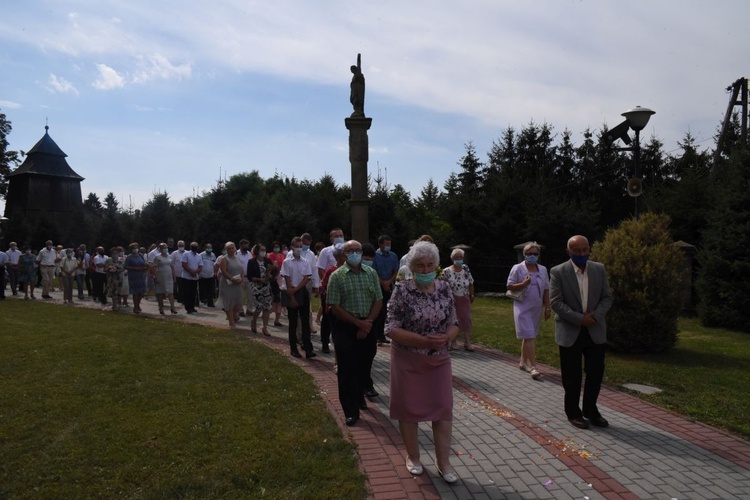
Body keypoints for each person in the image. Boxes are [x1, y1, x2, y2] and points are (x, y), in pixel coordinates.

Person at [385, 241, 460, 484]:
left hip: (439, 360)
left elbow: (454, 323)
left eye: (430, 265)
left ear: (436, 266)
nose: (425, 270)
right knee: (409, 410)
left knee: (443, 409)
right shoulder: (401, 290)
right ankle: (413, 457)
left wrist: (447, 337)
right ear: (411, 266)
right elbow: (391, 328)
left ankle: (443, 462)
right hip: (408, 360)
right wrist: (423, 341)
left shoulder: (445, 289)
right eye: (420, 265)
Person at [550, 235, 613, 430]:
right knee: (572, 375)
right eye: (577, 251)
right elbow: (556, 302)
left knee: (595, 373)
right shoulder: (559, 272)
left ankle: (591, 410)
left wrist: (595, 317)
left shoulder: (598, 269)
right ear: (569, 252)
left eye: (585, 250)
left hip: (595, 329)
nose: (582, 254)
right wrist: (580, 319)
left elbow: (607, 297)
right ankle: (573, 412)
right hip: (570, 331)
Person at [326, 240, 383, 427]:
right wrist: (357, 323)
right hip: (346, 326)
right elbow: (334, 305)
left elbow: (378, 300)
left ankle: (359, 396)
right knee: (347, 369)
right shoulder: (337, 276)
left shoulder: (371, 273)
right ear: (344, 254)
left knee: (364, 365)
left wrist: (367, 324)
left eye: (357, 250)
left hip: (368, 324)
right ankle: (350, 410)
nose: (355, 253)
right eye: (350, 251)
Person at [507, 243, 550, 377]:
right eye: (529, 253)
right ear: (525, 254)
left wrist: (547, 307)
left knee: (529, 336)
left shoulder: (543, 269)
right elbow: (509, 285)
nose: (532, 256)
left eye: (535, 254)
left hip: (536, 307)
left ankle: (522, 362)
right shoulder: (518, 268)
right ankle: (533, 366)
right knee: (529, 335)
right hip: (522, 306)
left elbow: (546, 289)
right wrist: (523, 284)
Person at [281, 236, 316, 359]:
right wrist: (292, 295)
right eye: (297, 247)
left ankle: (308, 348)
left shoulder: (305, 262)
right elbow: (287, 278)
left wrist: (297, 289)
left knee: (305, 322)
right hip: (291, 292)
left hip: (301, 291)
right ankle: (293, 348)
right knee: (293, 322)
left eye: (301, 247)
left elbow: (306, 278)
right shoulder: (287, 262)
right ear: (292, 247)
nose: (299, 249)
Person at [441, 248, 476, 351]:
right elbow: (442, 286)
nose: (459, 259)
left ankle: (467, 342)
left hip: (464, 296)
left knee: (466, 318)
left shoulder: (465, 268)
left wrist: (472, 294)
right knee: (453, 319)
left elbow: (471, 282)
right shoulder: (446, 271)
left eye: (460, 257)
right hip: (452, 298)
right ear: (452, 259)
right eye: (456, 257)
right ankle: (453, 341)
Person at [372, 235, 399, 345]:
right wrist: (382, 282)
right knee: (378, 310)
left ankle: (382, 334)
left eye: (389, 244)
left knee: (386, 311)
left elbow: (396, 271)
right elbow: (373, 271)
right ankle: (375, 333)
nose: (388, 246)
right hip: (377, 286)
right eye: (386, 244)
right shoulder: (375, 255)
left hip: (389, 285)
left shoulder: (393, 256)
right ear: (380, 244)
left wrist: (388, 282)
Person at [247, 243, 273, 335]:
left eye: (264, 250)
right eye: (262, 250)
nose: (264, 252)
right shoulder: (251, 262)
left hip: (266, 287)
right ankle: (254, 321)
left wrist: (269, 275)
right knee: (258, 307)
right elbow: (250, 276)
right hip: (256, 286)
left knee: (267, 307)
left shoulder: (268, 261)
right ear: (257, 251)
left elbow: (270, 273)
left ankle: (264, 327)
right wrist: (259, 279)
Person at [218, 241, 244, 328]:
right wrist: (232, 279)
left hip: (237, 284)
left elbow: (242, 270)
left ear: (235, 248)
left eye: (232, 248)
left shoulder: (237, 258)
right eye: (228, 248)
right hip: (227, 284)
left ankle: (231, 317)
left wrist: (242, 279)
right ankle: (231, 322)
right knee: (229, 303)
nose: (231, 250)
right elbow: (224, 271)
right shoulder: (224, 259)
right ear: (226, 250)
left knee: (238, 304)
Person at [152, 243, 178, 315]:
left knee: (170, 292)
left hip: (169, 276)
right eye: (164, 248)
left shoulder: (170, 257)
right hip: (161, 275)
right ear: (160, 249)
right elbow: (154, 267)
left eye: (166, 247)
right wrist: (156, 277)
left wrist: (174, 276)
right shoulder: (157, 257)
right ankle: (161, 308)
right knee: (160, 293)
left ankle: (173, 307)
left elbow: (172, 267)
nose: (165, 249)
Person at [124, 242, 148, 314]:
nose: (135, 249)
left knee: (141, 292)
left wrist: (146, 267)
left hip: (141, 275)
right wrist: (135, 268)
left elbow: (144, 263)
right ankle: (135, 306)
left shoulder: (140, 255)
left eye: (136, 248)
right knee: (135, 292)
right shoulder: (129, 257)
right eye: (134, 248)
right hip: (133, 276)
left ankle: (138, 304)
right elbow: (125, 266)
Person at [267, 241, 286, 327]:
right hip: (273, 278)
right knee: (271, 298)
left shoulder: (282, 255)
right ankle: (266, 318)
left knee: (279, 299)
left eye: (278, 246)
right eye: (275, 246)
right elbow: (269, 267)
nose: (276, 248)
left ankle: (277, 320)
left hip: (281, 278)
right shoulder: (270, 255)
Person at [181, 242, 203, 314]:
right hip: (186, 277)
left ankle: (192, 307)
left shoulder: (199, 256)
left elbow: (200, 266)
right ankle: (188, 308)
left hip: (194, 278)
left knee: (193, 293)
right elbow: (184, 264)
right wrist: (191, 271)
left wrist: (196, 272)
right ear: (191, 247)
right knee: (187, 292)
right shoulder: (186, 254)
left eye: (196, 246)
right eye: (194, 246)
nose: (195, 248)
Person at [105, 247, 125, 311]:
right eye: (113, 253)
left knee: (119, 292)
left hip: (119, 278)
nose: (115, 254)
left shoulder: (121, 260)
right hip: (111, 278)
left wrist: (117, 269)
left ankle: (117, 304)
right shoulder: (108, 260)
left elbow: (123, 268)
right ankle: (114, 306)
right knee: (114, 292)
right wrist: (109, 268)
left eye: (116, 253)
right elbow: (104, 269)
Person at [199, 243, 217, 308]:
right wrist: (199, 273)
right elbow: (199, 264)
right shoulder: (201, 255)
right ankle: (203, 301)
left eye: (210, 248)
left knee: (211, 290)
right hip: (202, 275)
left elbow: (214, 265)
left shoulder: (213, 255)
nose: (209, 249)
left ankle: (210, 303)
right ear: (205, 248)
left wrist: (215, 272)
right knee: (203, 289)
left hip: (211, 275)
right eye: (208, 248)